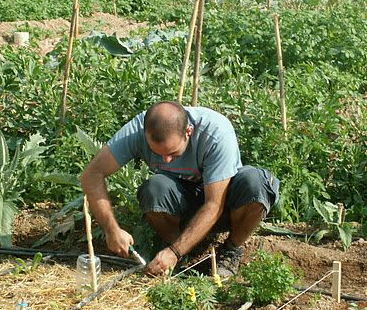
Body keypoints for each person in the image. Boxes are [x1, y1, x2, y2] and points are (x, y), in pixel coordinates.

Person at [80, 101, 279, 277]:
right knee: (154, 189)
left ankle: (231, 250)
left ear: (188, 132)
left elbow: (213, 204)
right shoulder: (137, 131)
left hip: (224, 203)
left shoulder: (216, 133)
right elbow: (91, 175)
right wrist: (111, 230)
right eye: (157, 153)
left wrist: (174, 251)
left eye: (172, 153)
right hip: (184, 201)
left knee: (255, 184)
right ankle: (187, 254)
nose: (166, 160)